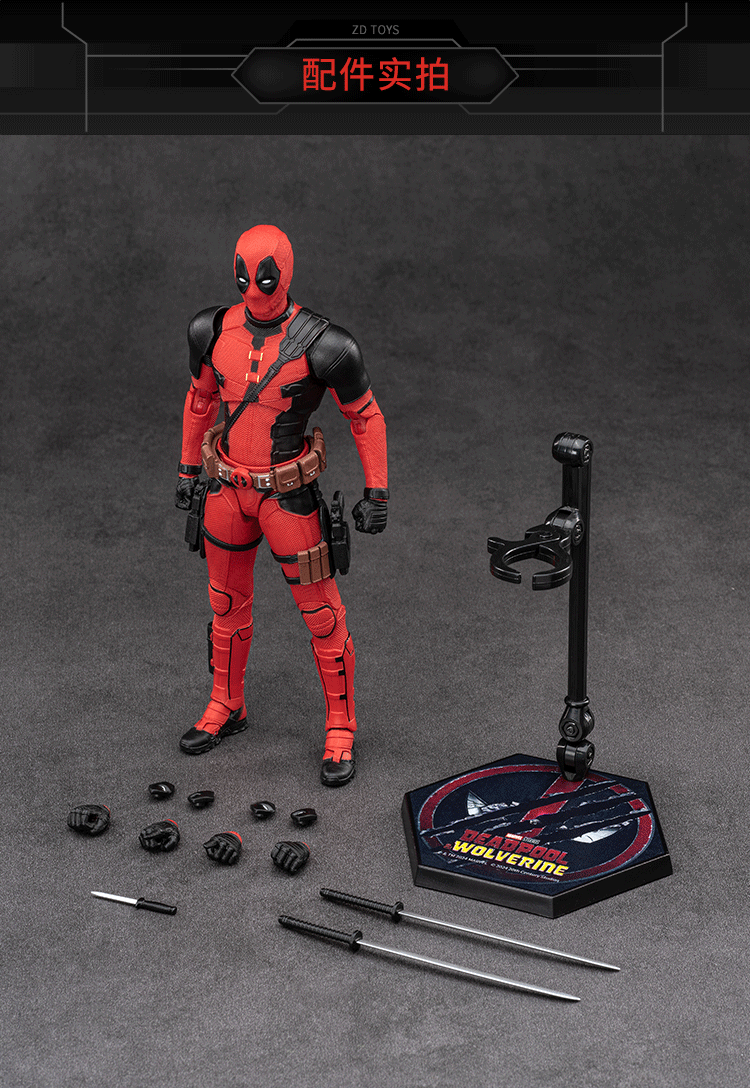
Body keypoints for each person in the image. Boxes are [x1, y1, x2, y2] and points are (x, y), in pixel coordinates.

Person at [174, 225, 388, 786]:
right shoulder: (210, 329)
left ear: (285, 273)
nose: (253, 290)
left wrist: (378, 492)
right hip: (225, 490)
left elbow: (365, 416)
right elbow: (199, 399)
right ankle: (226, 703)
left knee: (322, 614)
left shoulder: (325, 345)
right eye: (243, 277)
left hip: (286, 498)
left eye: (264, 279)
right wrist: (188, 470)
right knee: (225, 604)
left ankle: (340, 727)